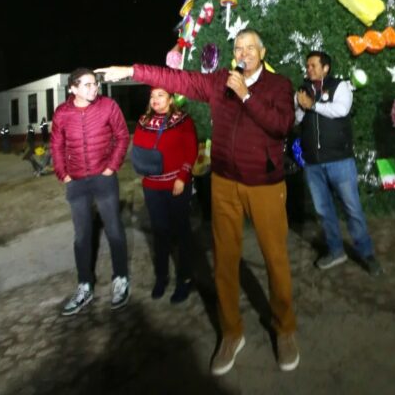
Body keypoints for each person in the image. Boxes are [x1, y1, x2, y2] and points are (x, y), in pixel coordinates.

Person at [96, 29, 300, 376]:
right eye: (238, 47)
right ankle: (232, 333)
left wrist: (247, 96)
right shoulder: (221, 81)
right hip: (223, 183)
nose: (244, 52)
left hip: (264, 185)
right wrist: (131, 71)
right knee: (224, 260)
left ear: (262, 52)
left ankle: (284, 329)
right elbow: (178, 78)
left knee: (275, 258)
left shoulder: (279, 85)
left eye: (251, 47)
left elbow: (281, 126)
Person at [51, 67, 131, 316]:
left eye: (94, 83)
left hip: (103, 178)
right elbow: (56, 144)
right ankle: (85, 285)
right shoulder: (62, 113)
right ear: (72, 88)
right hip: (76, 182)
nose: (93, 88)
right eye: (86, 85)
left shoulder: (108, 106)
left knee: (114, 229)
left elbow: (122, 136)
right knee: (82, 235)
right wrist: (62, 173)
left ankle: (121, 279)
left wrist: (111, 166)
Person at [295, 51, 382, 276]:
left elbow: (340, 110)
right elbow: (296, 119)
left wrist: (312, 105)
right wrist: (300, 106)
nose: (309, 68)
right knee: (323, 211)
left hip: (340, 160)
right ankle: (335, 251)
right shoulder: (302, 89)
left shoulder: (339, 86)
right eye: (308, 65)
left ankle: (366, 252)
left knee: (352, 208)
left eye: (314, 65)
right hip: (313, 163)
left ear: (326, 68)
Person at [133, 86, 198, 303]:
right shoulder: (143, 121)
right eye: (152, 96)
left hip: (176, 185)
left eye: (160, 95)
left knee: (182, 232)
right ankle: (161, 277)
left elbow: (191, 150)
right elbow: (139, 150)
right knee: (159, 233)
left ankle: (185, 278)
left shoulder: (182, 120)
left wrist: (182, 176)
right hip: (152, 186)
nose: (155, 100)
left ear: (171, 99)